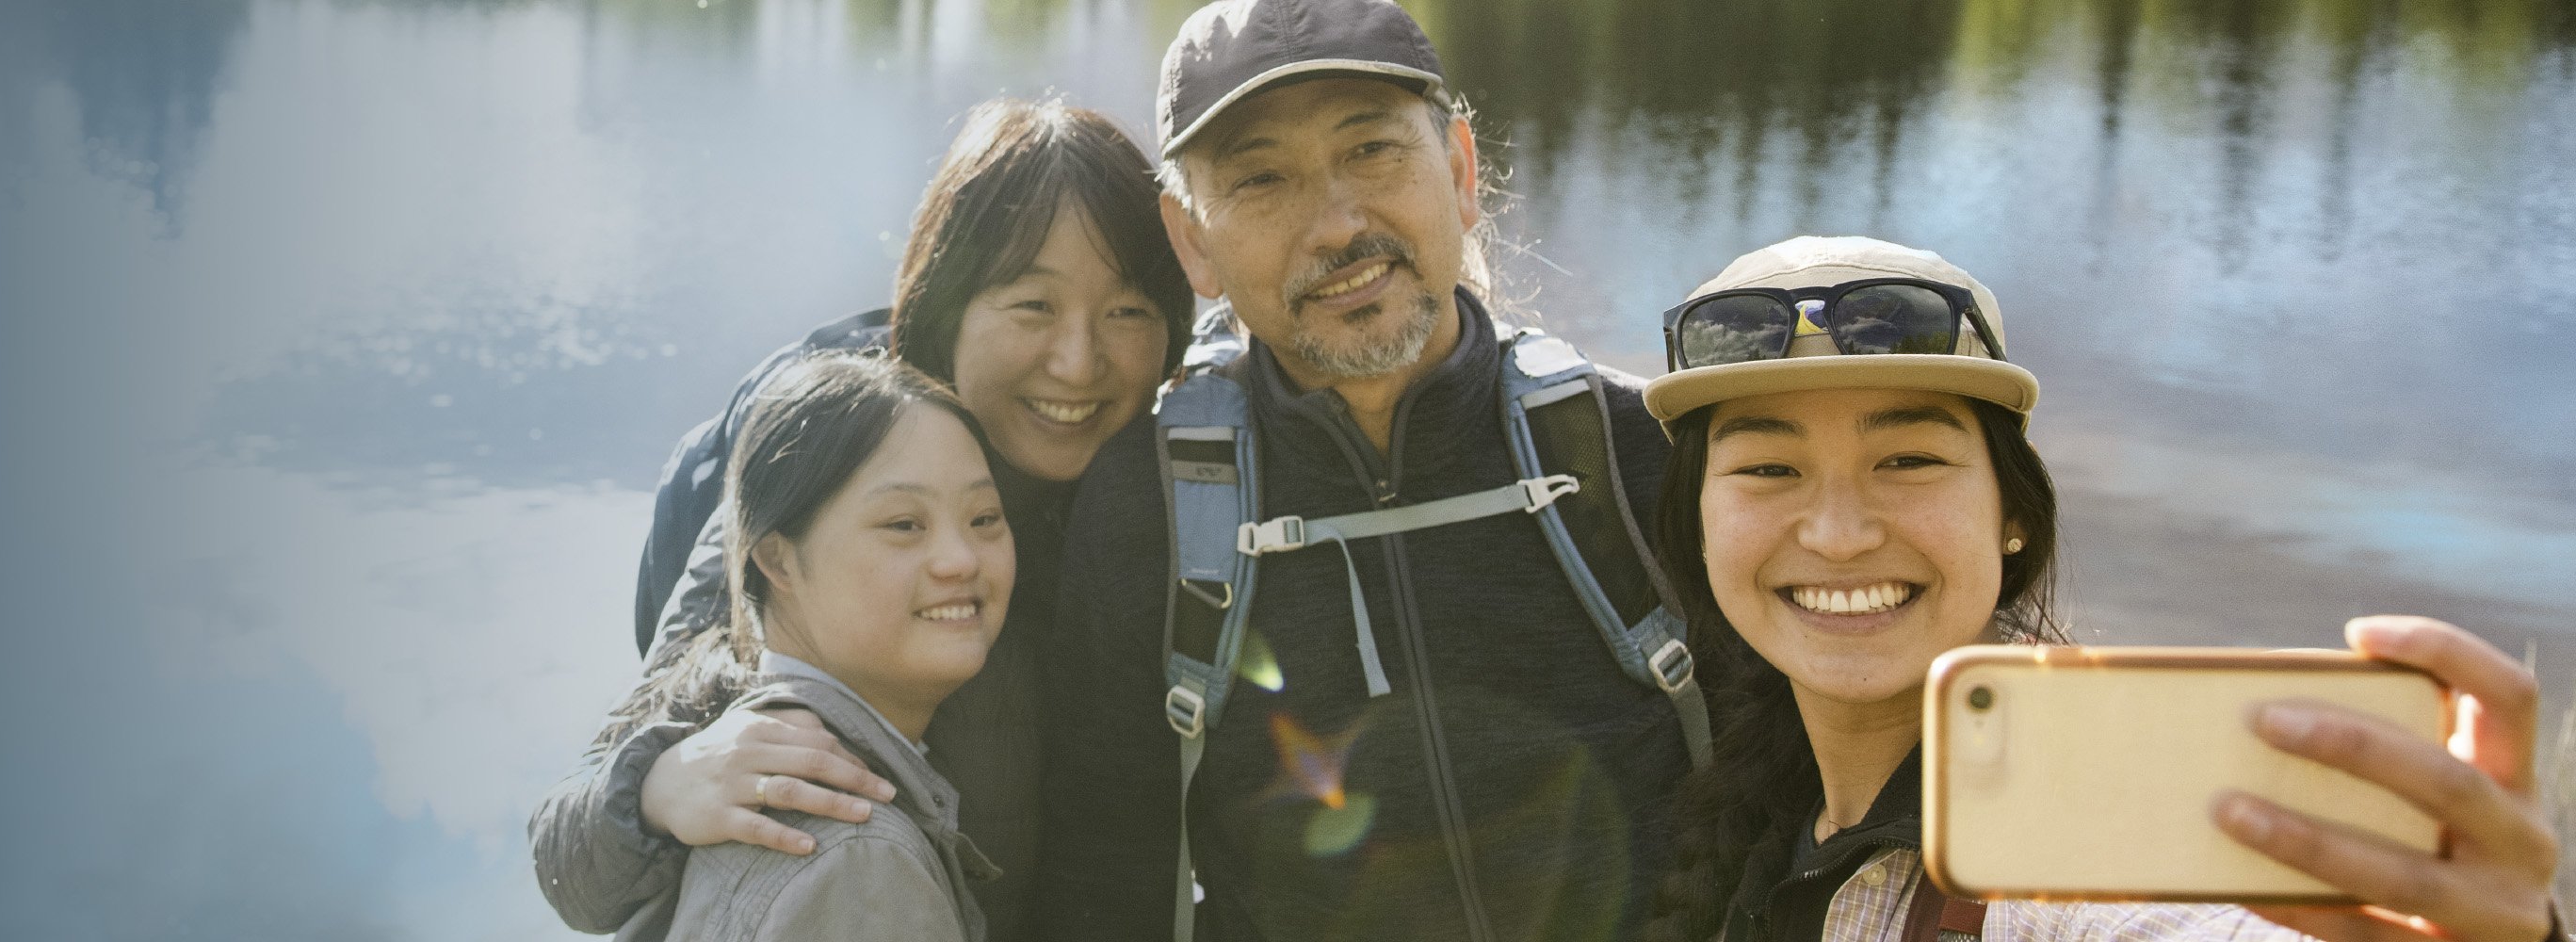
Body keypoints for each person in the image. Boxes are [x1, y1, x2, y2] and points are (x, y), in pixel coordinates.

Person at [1627, 236, 2562, 942]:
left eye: (1908, 458)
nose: (1837, 533)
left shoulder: (2090, 866)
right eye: (1767, 470)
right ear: (1699, 524)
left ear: (2013, 515)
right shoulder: (1752, 787)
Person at [1032, 1, 1703, 940]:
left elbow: (1787, 791)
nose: (1338, 226)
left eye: (1373, 151)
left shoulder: (1637, 449)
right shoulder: (1152, 505)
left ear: (1462, 172)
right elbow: (1101, 877)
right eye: (1261, 179)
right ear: (1194, 243)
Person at [534, 97, 1191, 934]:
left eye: (1128, 313)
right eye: (1032, 305)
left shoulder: (1173, 490)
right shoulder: (830, 469)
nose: (1079, 359)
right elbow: (570, 863)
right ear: (945, 306)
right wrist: (657, 791)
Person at [591, 352, 1016, 940]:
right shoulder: (852, 850)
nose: (962, 558)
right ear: (777, 559)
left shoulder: (734, 777)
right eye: (903, 525)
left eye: (985, 518)